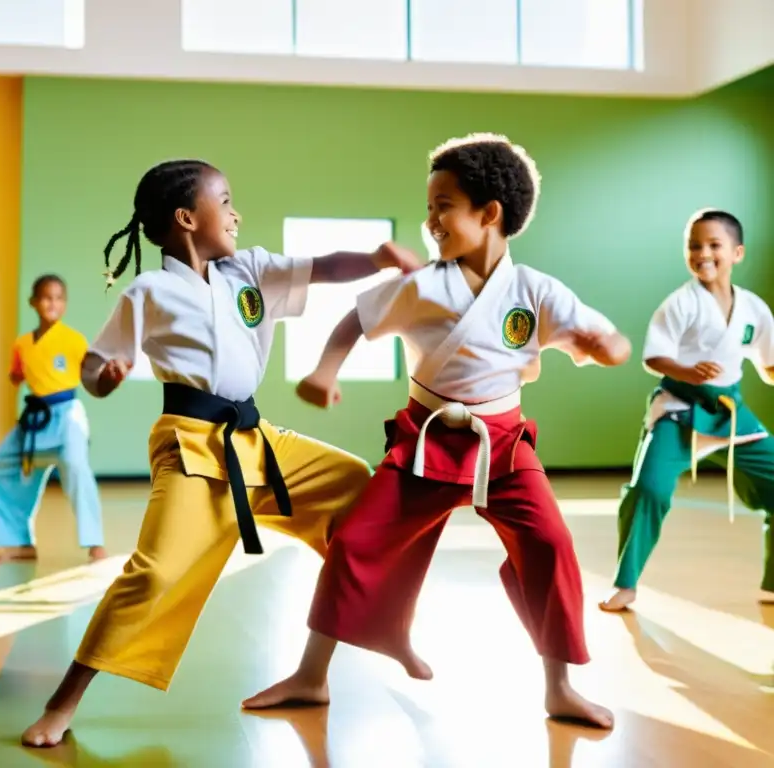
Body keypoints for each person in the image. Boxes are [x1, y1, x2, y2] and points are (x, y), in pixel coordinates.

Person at [21, 158, 422, 747]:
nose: (236, 212)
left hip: (255, 440)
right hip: (191, 445)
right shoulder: (149, 290)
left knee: (358, 486)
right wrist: (106, 374)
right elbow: (92, 367)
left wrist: (376, 259)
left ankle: (321, 666)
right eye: (225, 200)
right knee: (154, 572)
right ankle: (63, 702)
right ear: (187, 218)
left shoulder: (249, 269)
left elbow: (324, 268)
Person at [243, 134, 628, 729]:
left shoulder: (535, 291)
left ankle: (559, 687)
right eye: (429, 208)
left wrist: (609, 347)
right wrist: (324, 370)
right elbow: (355, 319)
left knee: (549, 545)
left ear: (489, 213)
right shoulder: (424, 285)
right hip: (424, 440)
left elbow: (606, 341)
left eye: (443, 206)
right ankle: (311, 676)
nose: (431, 222)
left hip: (502, 448)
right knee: (355, 541)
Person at [600, 209, 774, 612]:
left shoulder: (753, 309)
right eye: (695, 245)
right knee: (649, 490)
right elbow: (654, 358)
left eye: (715, 245)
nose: (703, 253)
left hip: (730, 413)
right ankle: (625, 584)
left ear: (737, 253)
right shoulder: (680, 303)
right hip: (678, 410)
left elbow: (767, 365)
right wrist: (686, 371)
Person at [0, 274, 106, 562]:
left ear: (65, 304)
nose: (52, 303)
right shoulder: (22, 343)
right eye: (46, 297)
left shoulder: (73, 340)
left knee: (77, 467)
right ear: (33, 302)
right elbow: (17, 374)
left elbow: (91, 373)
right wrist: (15, 376)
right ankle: (21, 544)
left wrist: (106, 374)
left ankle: (95, 543)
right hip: (35, 418)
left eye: (58, 298)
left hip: (67, 417)